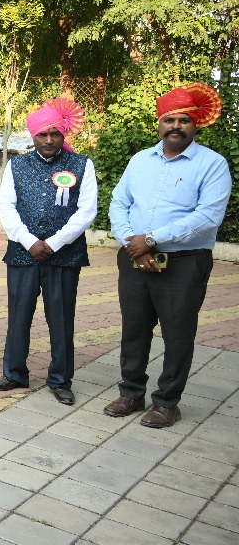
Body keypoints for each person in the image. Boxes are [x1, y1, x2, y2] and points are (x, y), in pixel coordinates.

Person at [105, 83, 231, 428]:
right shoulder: (140, 160)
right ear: (159, 123)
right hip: (134, 257)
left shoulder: (212, 164)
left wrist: (151, 239)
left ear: (195, 124)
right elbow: (119, 203)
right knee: (134, 329)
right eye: (169, 119)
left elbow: (208, 216)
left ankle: (167, 402)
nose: (176, 126)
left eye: (184, 120)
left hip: (184, 262)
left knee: (177, 334)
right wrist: (132, 242)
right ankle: (131, 393)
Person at [0, 98, 97, 404]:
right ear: (33, 135)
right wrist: (29, 242)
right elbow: (6, 206)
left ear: (63, 135)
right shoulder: (17, 164)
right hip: (23, 253)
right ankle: (14, 373)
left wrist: (54, 243)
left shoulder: (82, 164)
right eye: (42, 134)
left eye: (55, 134)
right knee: (18, 315)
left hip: (64, 255)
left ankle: (60, 379)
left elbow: (87, 211)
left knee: (61, 318)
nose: (49, 140)